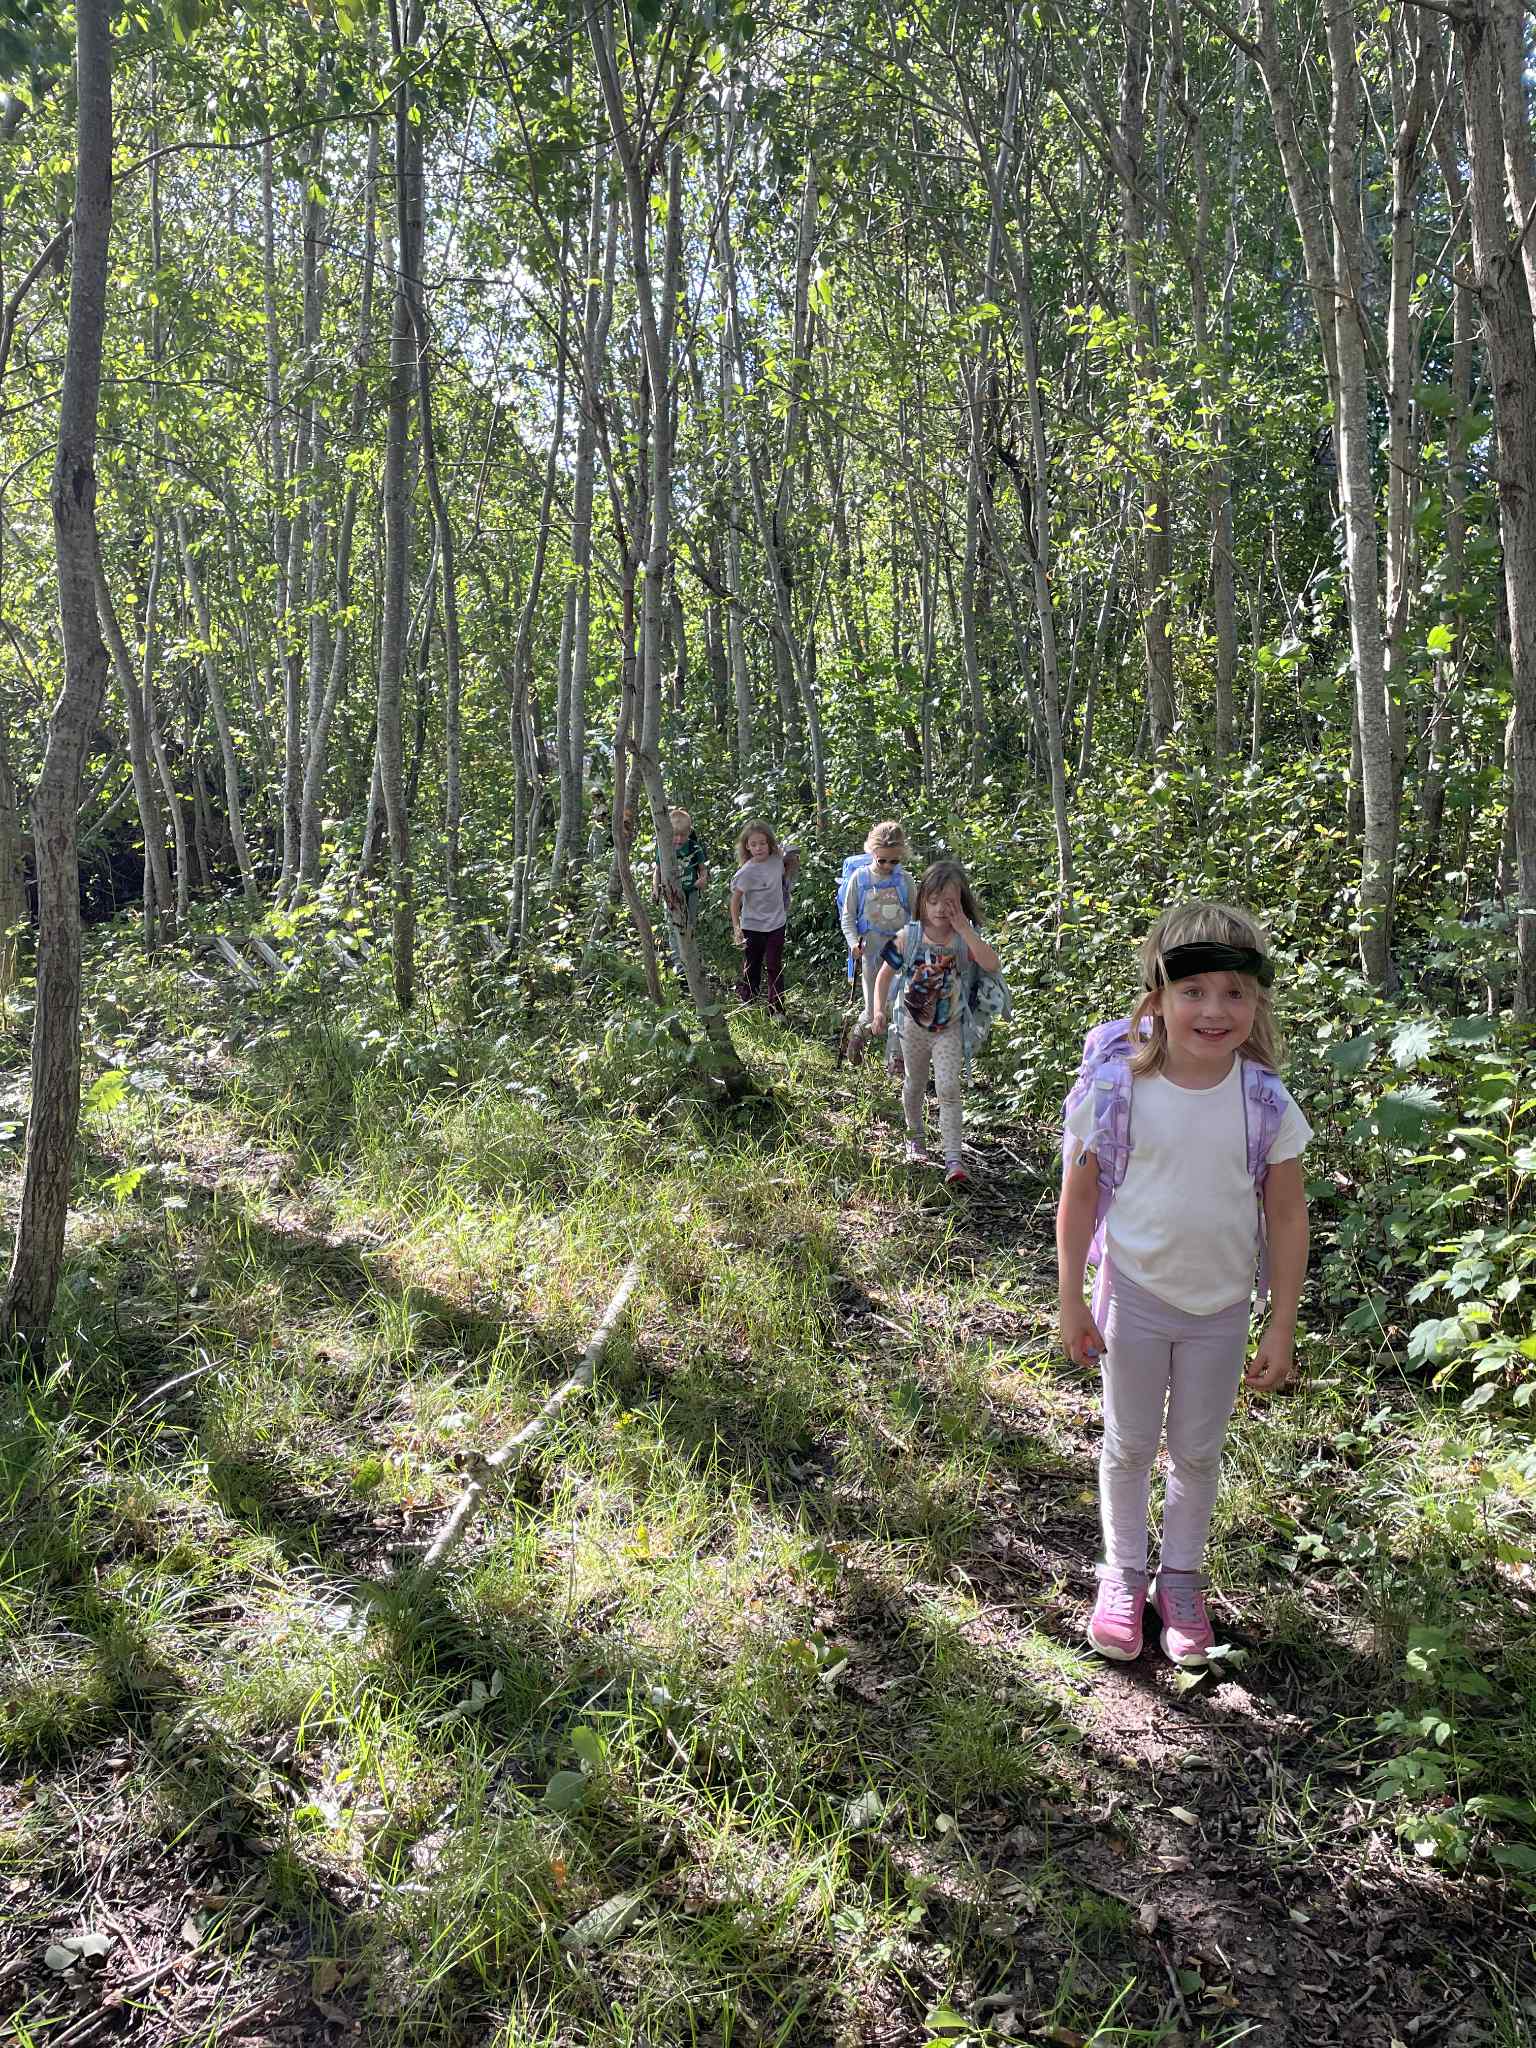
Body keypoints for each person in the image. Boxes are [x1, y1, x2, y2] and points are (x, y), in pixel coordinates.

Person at [1056, 902, 1311, 1670]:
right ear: (1157, 996)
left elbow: (1289, 1215)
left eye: (1235, 992)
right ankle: (1123, 1574)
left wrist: (1281, 1324)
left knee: (1198, 1451)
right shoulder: (1115, 1091)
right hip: (1134, 1295)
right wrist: (1071, 1297)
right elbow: (1076, 1198)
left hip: (1222, 1306)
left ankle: (1183, 1580)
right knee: (1130, 1444)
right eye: (1194, 990)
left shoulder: (1266, 1103)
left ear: (1257, 1004)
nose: (1214, 1010)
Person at [871, 859, 999, 1187]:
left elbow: (991, 963)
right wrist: (878, 1011)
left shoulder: (962, 940)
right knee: (914, 1083)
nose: (941, 909)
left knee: (948, 1088)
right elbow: (884, 976)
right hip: (912, 1025)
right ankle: (916, 1139)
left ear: (962, 903)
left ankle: (953, 1157)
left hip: (950, 1026)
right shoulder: (909, 936)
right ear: (922, 900)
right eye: (933, 900)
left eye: (950, 902)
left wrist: (966, 929)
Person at [839, 821, 913, 1059]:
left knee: (901, 1008)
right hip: (870, 954)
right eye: (882, 860)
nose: (888, 865)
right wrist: (852, 942)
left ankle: (896, 1061)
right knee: (873, 1010)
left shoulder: (905, 881)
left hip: (901, 955)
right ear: (872, 852)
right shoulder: (859, 880)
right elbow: (848, 916)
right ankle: (858, 1035)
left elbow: (918, 917)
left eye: (894, 861)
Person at [730, 821, 799, 1013]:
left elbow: (788, 868)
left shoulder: (777, 860)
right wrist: (737, 928)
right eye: (754, 844)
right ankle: (748, 1000)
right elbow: (735, 902)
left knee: (774, 966)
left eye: (762, 843)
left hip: (776, 923)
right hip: (752, 926)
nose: (758, 848)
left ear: (769, 843)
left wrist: (792, 862)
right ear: (747, 847)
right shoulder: (746, 872)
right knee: (752, 966)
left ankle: (776, 1008)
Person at [654, 806, 707, 968]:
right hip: (670, 894)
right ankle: (679, 964)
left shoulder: (694, 847)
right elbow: (657, 871)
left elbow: (702, 869)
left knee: (689, 925)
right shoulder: (664, 847)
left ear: (689, 832)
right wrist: (655, 888)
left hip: (690, 893)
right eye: (674, 835)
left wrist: (703, 879)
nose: (677, 839)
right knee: (673, 927)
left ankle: (691, 959)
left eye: (682, 835)